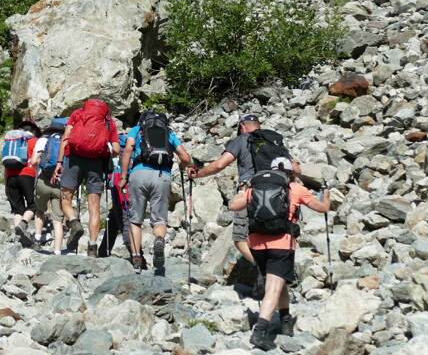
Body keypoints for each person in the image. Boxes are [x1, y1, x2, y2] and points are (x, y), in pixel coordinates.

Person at [228, 156, 331, 350]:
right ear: (290, 173)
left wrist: (242, 191)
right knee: (274, 287)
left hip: (256, 245)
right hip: (281, 244)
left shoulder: (255, 189)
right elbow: (323, 209)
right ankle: (260, 331)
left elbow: (233, 206)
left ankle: (285, 320)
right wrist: (326, 196)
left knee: (279, 280)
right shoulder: (296, 189)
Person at [191, 113, 299, 292]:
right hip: (279, 193)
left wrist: (198, 174)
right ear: (258, 124)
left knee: (240, 239)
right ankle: (281, 272)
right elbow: (293, 168)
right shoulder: (273, 141)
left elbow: (220, 165)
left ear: (242, 126)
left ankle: (264, 269)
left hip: (249, 192)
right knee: (277, 233)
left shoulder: (241, 140)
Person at [120, 111, 195, 276]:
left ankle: (137, 259)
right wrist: (184, 166)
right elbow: (185, 156)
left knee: (135, 219)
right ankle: (159, 241)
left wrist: (124, 176)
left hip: (139, 174)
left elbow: (128, 150)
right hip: (162, 176)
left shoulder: (137, 130)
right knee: (159, 219)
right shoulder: (168, 132)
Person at [52, 98, 119, 257]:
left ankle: (74, 222)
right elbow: (116, 149)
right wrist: (105, 152)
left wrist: (59, 163)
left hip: (73, 160)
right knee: (94, 207)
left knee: (65, 199)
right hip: (96, 164)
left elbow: (66, 139)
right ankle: (93, 247)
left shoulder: (77, 114)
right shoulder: (108, 121)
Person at [29, 118, 67, 254]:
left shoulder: (43, 140)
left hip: (43, 181)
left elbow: (33, 161)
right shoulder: (67, 142)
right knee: (58, 219)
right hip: (60, 184)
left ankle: (37, 240)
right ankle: (57, 251)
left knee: (40, 211)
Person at [5, 120, 41, 245]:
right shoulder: (34, 141)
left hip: (10, 176)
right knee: (33, 205)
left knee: (17, 208)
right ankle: (23, 224)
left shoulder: (11, 141)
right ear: (33, 130)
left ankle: (18, 238)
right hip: (27, 175)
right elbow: (37, 160)